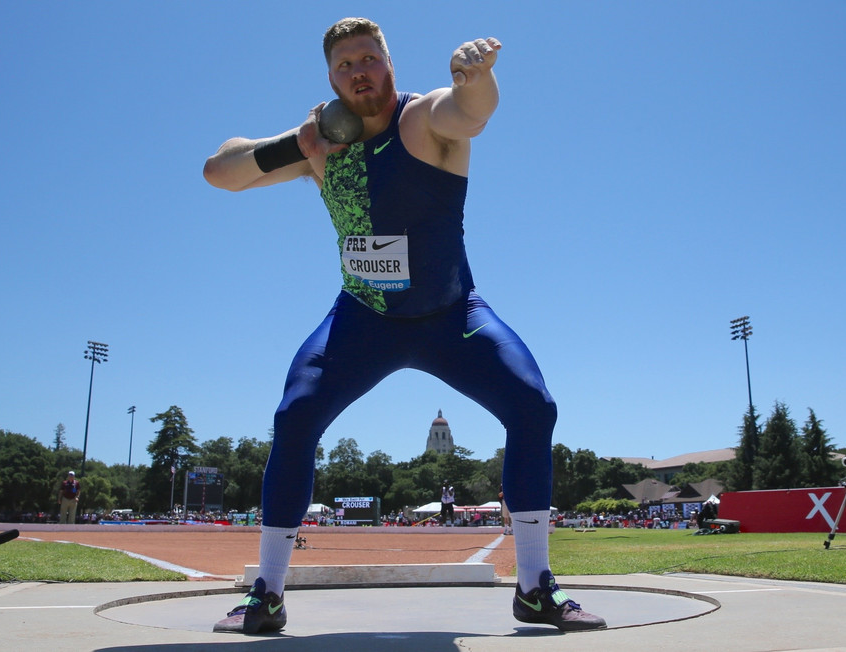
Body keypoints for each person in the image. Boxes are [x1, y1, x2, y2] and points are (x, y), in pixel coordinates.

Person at [204, 17, 606, 634]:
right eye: (345, 65)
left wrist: (477, 79)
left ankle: (534, 587)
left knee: (533, 407)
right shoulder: (321, 145)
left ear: (389, 63)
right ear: (332, 79)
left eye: (369, 58)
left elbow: (469, 113)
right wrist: (300, 144)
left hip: (451, 316)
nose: (358, 71)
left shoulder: (422, 122)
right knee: (294, 417)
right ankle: (268, 593)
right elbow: (220, 172)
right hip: (363, 318)